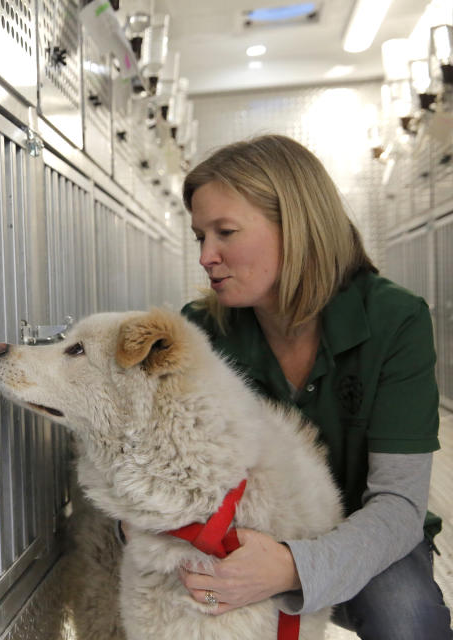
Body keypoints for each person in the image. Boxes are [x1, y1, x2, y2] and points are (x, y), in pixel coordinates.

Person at [168, 134, 447, 638]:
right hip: (240, 536)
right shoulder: (201, 331)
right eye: (199, 237)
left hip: (365, 532)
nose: (206, 256)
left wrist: (294, 567)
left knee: (409, 618)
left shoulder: (394, 319)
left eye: (225, 231)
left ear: (295, 227)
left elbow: (399, 504)